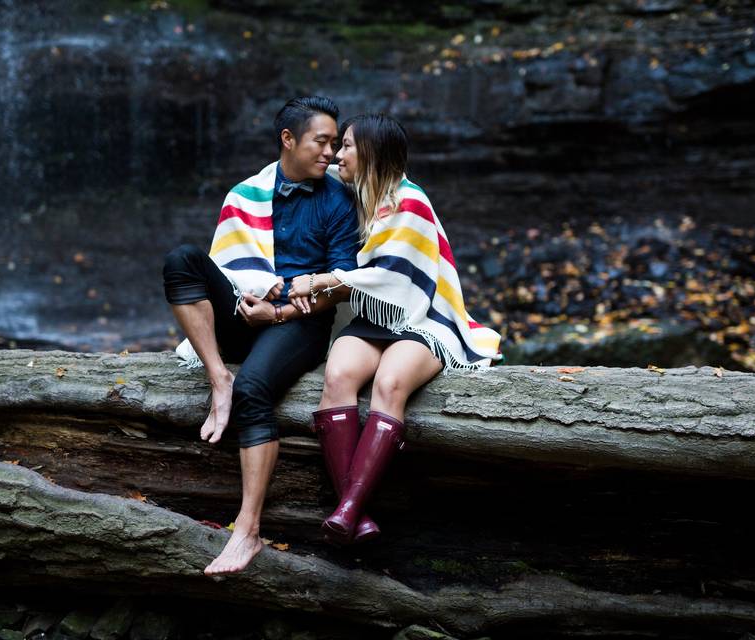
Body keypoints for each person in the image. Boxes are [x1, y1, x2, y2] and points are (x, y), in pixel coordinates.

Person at [161, 96, 360, 573]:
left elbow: (341, 284)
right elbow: (230, 265)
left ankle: (247, 531)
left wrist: (278, 313)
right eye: (322, 142)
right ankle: (217, 379)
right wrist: (253, 305)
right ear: (288, 140)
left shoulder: (338, 200)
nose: (331, 153)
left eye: (336, 144)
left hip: (299, 324)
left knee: (255, 389)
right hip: (243, 309)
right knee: (182, 260)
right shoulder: (246, 193)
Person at [288, 114, 502, 545]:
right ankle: (357, 513)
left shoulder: (410, 201)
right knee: (338, 375)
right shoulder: (357, 187)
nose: (336, 155)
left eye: (346, 146)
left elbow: (392, 277)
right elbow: (298, 168)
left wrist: (320, 280)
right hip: (377, 318)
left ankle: (348, 507)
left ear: (371, 153)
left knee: (389, 382)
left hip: (424, 318)